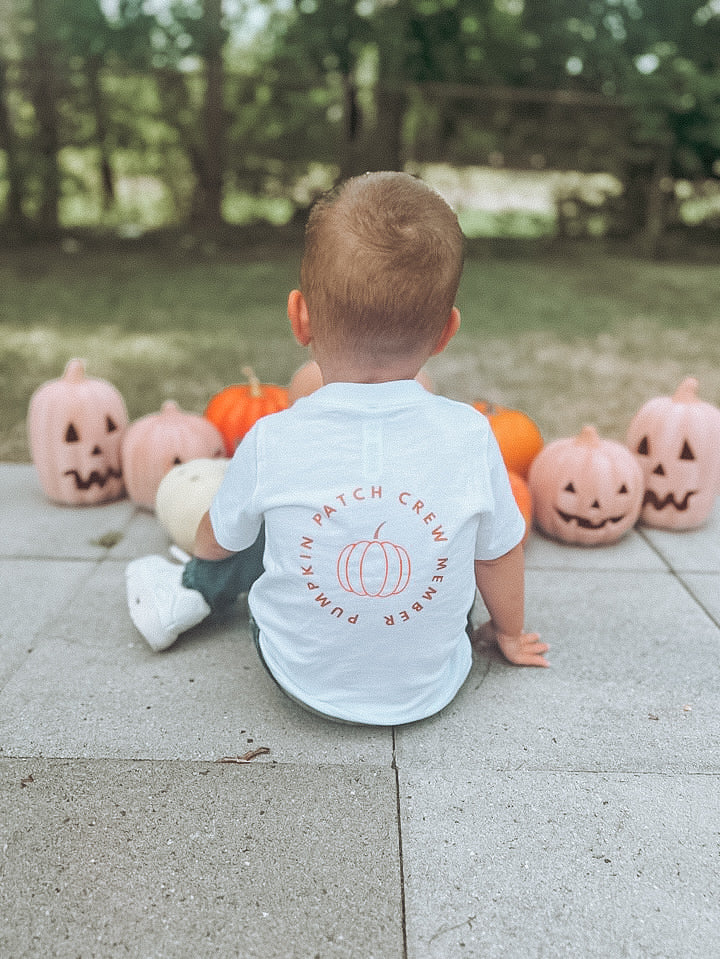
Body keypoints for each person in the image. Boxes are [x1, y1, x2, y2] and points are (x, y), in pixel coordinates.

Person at [126, 171, 549, 726]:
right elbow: (498, 553)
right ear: (446, 332)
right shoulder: (472, 434)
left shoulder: (272, 437)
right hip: (436, 681)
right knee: (467, 537)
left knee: (247, 533)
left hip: (297, 676)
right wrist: (509, 634)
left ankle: (182, 596)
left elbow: (216, 538)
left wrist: (207, 558)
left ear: (300, 317)